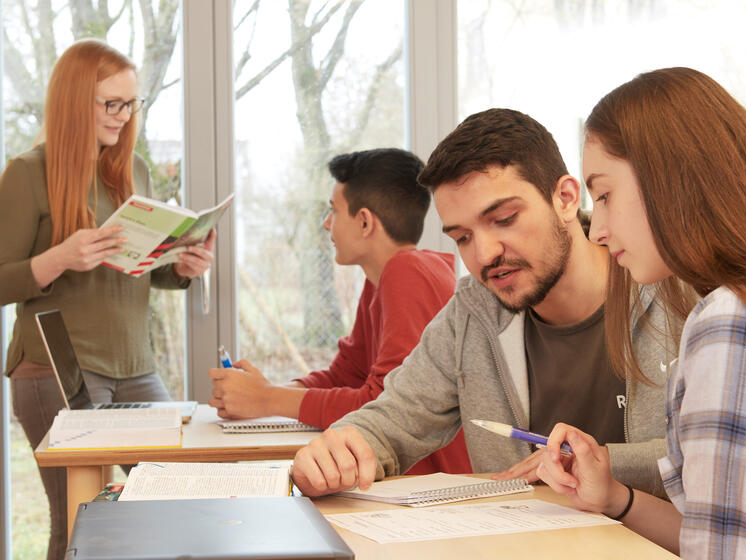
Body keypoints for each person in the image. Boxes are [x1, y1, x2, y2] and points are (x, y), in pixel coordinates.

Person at [289, 108, 688, 498]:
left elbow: (711, 452)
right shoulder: (473, 311)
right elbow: (393, 420)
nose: (483, 254)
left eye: (504, 219)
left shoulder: (675, 289)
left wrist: (593, 463)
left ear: (565, 198)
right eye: (462, 237)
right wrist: (336, 454)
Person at [536, 67, 746, 559]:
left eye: (606, 195)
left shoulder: (734, 322)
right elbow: (724, 536)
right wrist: (615, 498)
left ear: (672, 177)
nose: (597, 231)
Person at [0, 39, 215, 560]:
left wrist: (180, 269)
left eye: (131, 103)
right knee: (81, 525)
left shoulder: (131, 170)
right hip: (58, 367)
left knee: (184, 495)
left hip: (133, 365)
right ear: (76, 103)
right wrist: (59, 258)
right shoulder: (27, 174)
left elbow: (129, 269)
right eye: (111, 104)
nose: (124, 116)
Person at [208, 148, 472, 474]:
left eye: (334, 211)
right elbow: (345, 376)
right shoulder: (384, 278)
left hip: (430, 490)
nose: (326, 223)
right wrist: (261, 392)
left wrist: (266, 399)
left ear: (364, 221)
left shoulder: (408, 273)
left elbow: (379, 405)